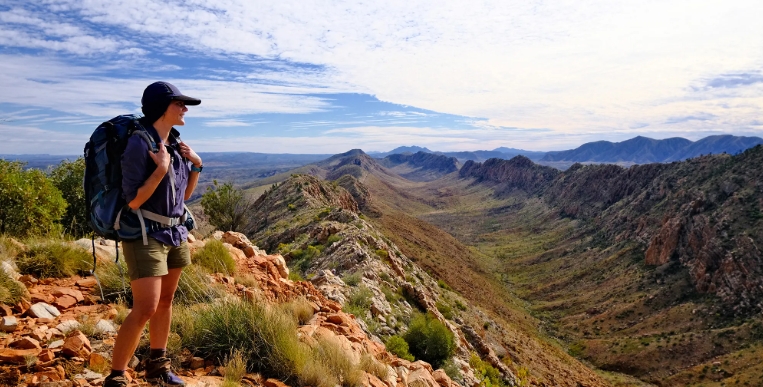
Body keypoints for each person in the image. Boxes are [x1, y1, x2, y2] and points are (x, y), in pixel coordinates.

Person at [104, 81, 203, 387]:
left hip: (174, 233)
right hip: (144, 234)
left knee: (166, 302)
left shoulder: (174, 141)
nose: (185, 109)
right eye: (179, 104)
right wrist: (160, 169)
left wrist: (196, 165)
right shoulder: (139, 143)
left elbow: (182, 196)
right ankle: (117, 377)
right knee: (146, 306)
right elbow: (133, 199)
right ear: (162, 107)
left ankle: (157, 367)